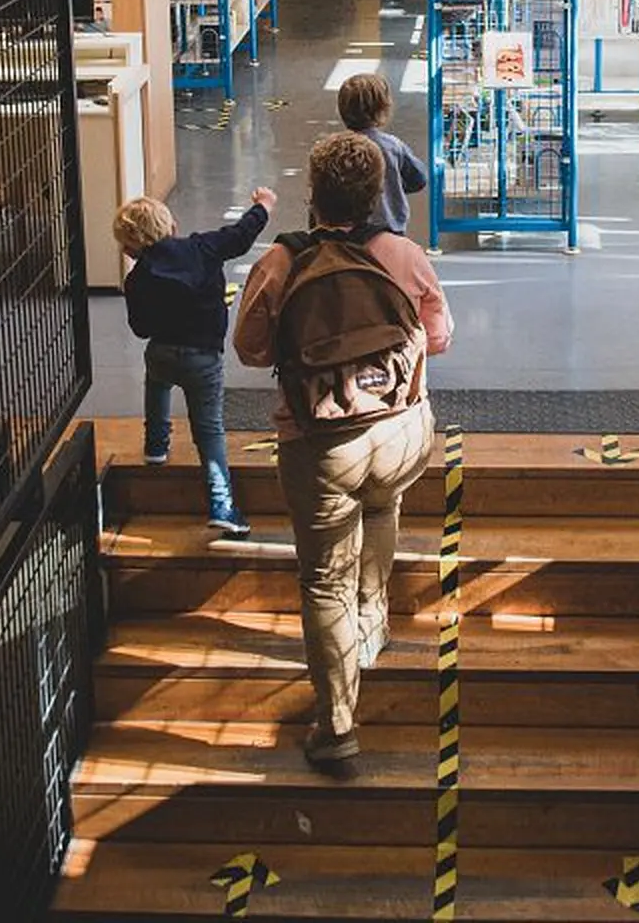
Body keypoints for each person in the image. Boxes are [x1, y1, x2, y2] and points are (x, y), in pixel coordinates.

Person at [234, 132, 453, 774]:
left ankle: (336, 729)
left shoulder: (281, 261)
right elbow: (437, 338)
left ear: (313, 192)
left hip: (320, 443)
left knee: (321, 579)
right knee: (382, 510)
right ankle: (373, 623)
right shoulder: (405, 256)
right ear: (374, 193)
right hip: (402, 432)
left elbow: (249, 349)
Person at [114, 188, 277, 538]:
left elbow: (140, 329)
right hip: (203, 358)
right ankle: (222, 507)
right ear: (173, 225)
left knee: (156, 385)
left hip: (161, 351)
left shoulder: (136, 278)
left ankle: (156, 445)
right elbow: (241, 235)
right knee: (209, 429)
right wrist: (262, 206)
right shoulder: (202, 248)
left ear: (130, 248)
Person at [336, 71, 427, 235]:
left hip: (348, 237)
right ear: (383, 108)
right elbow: (418, 179)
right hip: (390, 231)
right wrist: (393, 184)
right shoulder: (392, 146)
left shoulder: (336, 150)